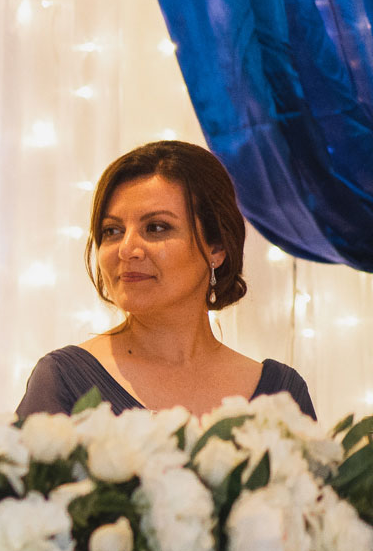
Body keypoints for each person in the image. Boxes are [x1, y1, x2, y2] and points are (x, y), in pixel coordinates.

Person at [16, 140, 315, 418]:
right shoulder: (64, 380)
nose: (127, 249)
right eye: (112, 231)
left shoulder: (282, 394)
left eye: (156, 228)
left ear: (217, 248)